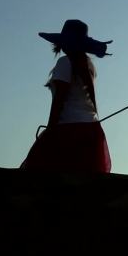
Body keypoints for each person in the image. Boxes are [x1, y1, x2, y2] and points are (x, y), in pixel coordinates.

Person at [21, 19, 113, 173]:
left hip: (69, 130)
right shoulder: (89, 66)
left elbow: (59, 100)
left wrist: (50, 130)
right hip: (91, 131)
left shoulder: (64, 63)